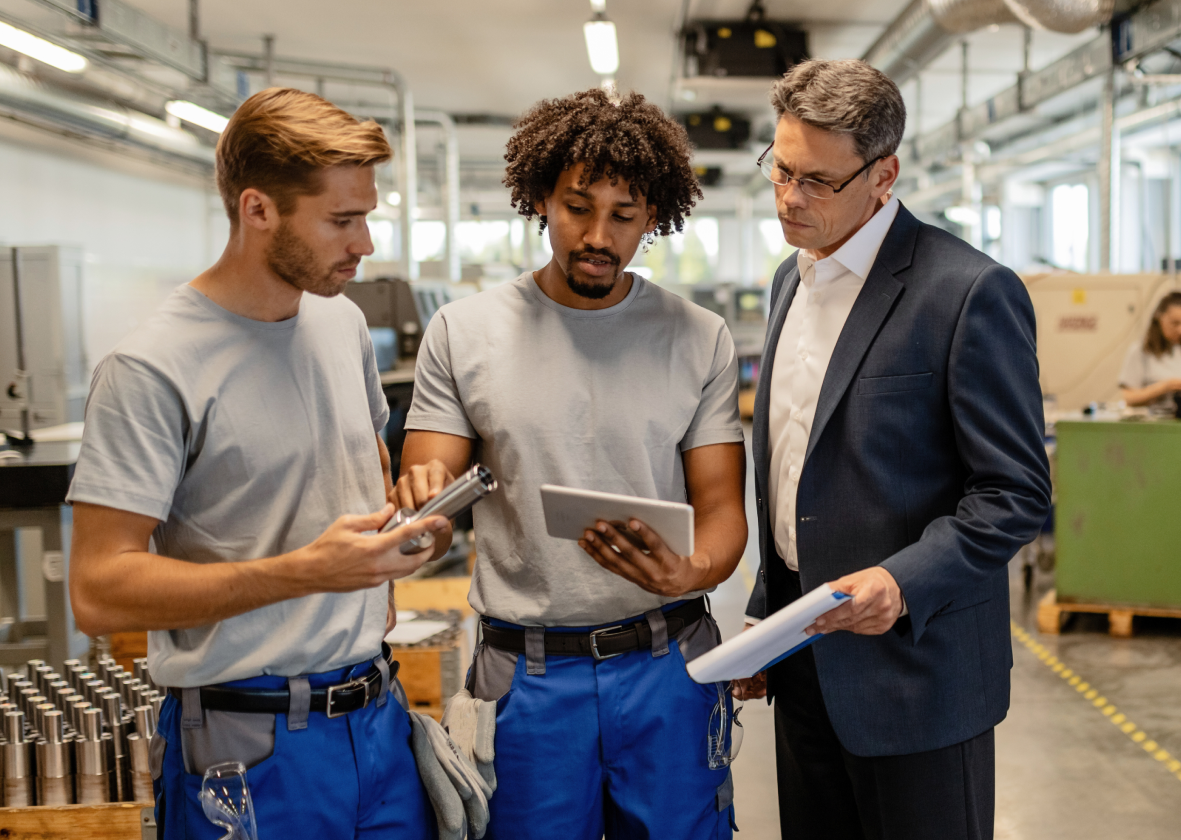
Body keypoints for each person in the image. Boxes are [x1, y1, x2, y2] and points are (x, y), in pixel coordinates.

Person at [66, 88, 445, 839]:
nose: (365, 242)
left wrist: (403, 526)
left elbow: (363, 466)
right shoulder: (152, 368)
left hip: (377, 719)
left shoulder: (341, 322)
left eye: (366, 215)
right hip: (251, 741)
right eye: (342, 220)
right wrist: (305, 571)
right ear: (257, 210)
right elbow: (98, 591)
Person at [393, 88, 749, 839]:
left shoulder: (698, 336)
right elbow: (430, 487)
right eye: (576, 207)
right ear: (540, 201)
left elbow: (721, 509)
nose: (597, 234)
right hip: (525, 679)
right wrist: (420, 508)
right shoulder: (465, 332)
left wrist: (697, 570)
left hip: (668, 666)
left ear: (655, 217)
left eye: (623, 216)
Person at [733, 59, 1051, 840]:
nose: (789, 198)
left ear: (884, 174)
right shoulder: (789, 280)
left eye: (817, 181)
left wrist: (900, 582)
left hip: (918, 675)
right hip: (805, 666)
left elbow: (1013, 493)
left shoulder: (967, 292)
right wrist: (766, 619)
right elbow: (794, 468)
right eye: (780, 169)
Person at [1119, 290, 1181, 409]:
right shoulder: (1141, 351)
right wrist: (1165, 387)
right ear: (1159, 318)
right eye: (1174, 323)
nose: (1180, 330)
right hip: (1155, 423)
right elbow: (1129, 398)